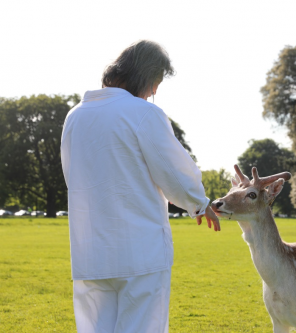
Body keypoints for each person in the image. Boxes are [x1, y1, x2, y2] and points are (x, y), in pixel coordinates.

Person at [61, 40, 220, 333]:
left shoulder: (75, 116)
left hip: (90, 252)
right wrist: (199, 202)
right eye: (156, 83)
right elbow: (173, 170)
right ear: (144, 76)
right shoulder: (143, 113)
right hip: (140, 252)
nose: (155, 92)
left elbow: (73, 176)